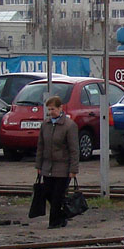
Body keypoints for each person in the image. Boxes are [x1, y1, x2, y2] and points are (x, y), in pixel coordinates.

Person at [35, 95, 79, 229]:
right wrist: (38, 165)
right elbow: (40, 146)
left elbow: (74, 149)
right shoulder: (45, 125)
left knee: (57, 196)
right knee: (47, 192)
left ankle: (54, 222)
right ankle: (61, 216)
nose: (50, 112)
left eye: (53, 109)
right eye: (48, 109)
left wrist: (73, 169)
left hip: (63, 168)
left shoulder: (69, 126)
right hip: (47, 167)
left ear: (61, 108)